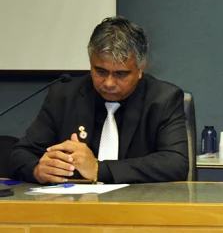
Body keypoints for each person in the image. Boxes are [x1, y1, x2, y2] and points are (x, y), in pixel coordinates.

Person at [9, 16, 188, 184]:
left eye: (120, 74)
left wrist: (98, 168)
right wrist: (37, 169)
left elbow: (175, 163)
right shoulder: (64, 96)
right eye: (100, 71)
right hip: (72, 207)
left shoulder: (163, 99)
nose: (109, 83)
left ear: (141, 68)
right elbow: (21, 154)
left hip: (140, 209)